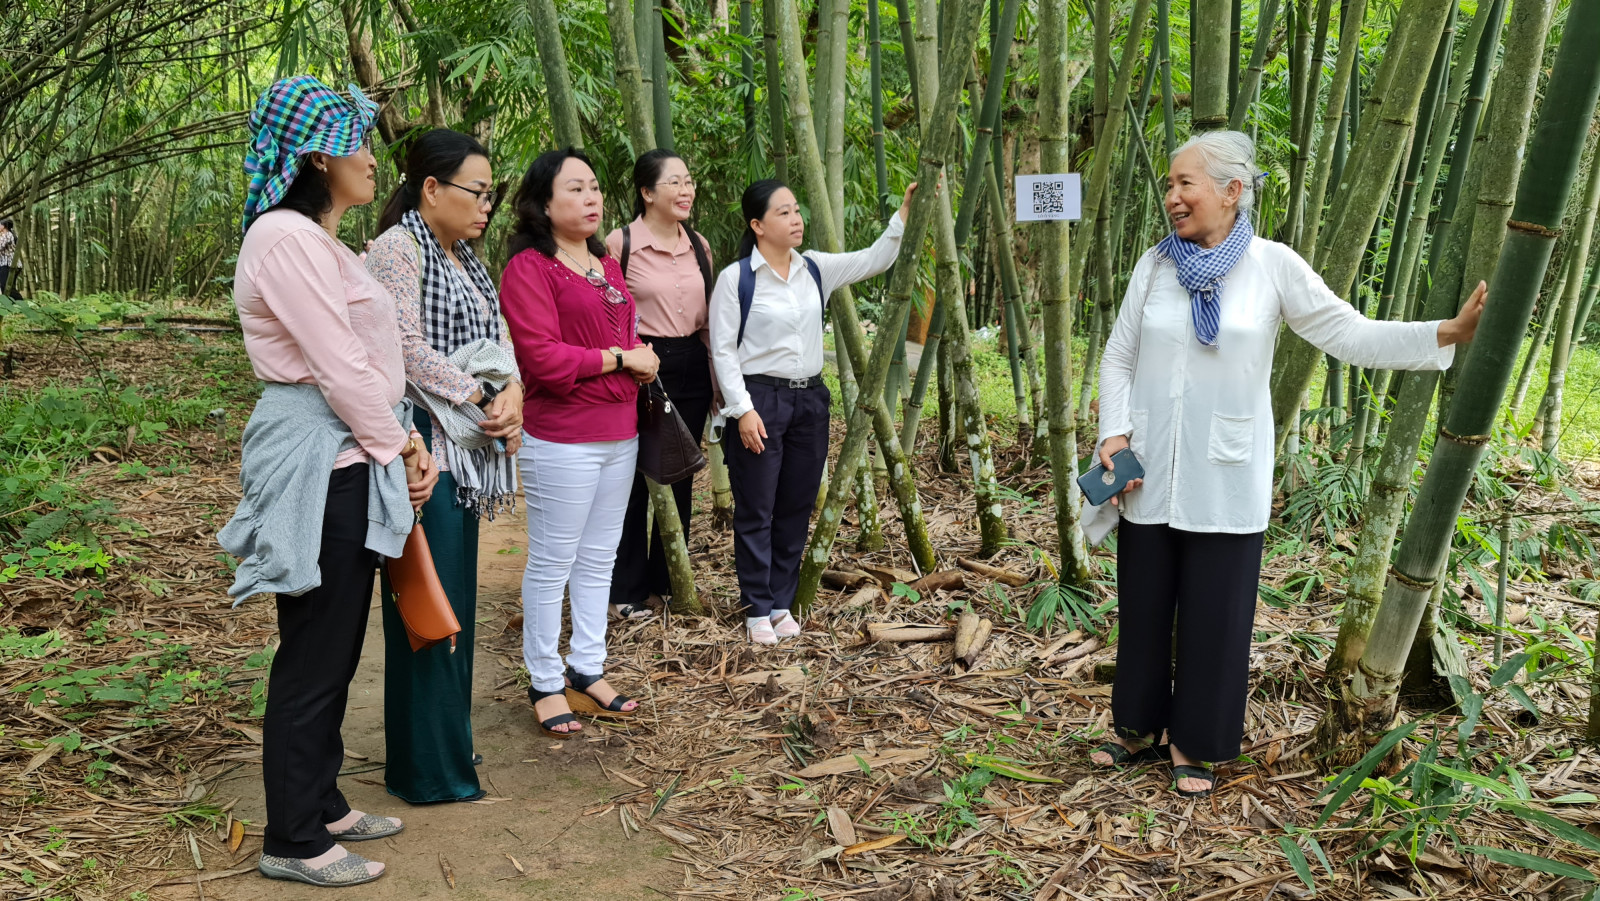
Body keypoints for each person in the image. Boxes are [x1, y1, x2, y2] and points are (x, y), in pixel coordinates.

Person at [1089, 130, 1486, 797]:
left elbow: (1348, 332)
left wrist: (1442, 334)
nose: (1172, 197)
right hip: (1149, 466)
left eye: (1185, 183)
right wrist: (1113, 431)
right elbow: (1119, 355)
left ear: (1231, 190)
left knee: (1217, 613)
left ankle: (1197, 743)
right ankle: (1136, 727)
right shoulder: (1154, 266)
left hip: (1228, 471)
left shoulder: (1273, 266)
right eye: (1168, 184)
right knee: (1147, 602)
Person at [218, 76, 439, 887]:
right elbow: (338, 364)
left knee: (339, 642)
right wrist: (398, 449)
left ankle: (322, 800)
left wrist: (401, 439)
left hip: (353, 445)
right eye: (358, 141)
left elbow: (368, 366)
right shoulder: (284, 240)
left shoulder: (319, 241)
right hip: (322, 452)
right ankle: (294, 838)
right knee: (313, 647)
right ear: (317, 154)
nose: (372, 159)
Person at [365, 129, 522, 804]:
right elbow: (398, 345)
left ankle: (445, 744)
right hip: (421, 441)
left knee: (454, 593)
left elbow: (500, 338)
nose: (487, 205)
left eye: (494, 193)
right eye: (477, 192)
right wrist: (482, 391)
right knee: (425, 598)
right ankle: (428, 769)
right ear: (431, 188)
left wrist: (511, 392)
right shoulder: (396, 248)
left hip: (468, 446)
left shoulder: (466, 258)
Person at [710, 178, 918, 645]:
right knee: (757, 507)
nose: (796, 218)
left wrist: (903, 213)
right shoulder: (736, 278)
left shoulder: (815, 269)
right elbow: (723, 351)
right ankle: (756, 607)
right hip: (759, 400)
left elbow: (874, 258)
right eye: (783, 212)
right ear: (757, 225)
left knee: (795, 504)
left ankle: (781, 602)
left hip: (809, 401)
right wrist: (741, 410)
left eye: (796, 209)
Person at [500, 148, 659, 738]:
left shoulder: (606, 263)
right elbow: (539, 357)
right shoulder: (530, 268)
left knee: (598, 560)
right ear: (544, 203)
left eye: (594, 187)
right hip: (562, 435)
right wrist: (621, 358)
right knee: (552, 561)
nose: (591, 198)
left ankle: (587, 667)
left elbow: (627, 335)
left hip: (620, 431)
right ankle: (543, 680)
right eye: (575, 189)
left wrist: (641, 356)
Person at [605, 149, 715, 621]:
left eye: (689, 181)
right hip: (640, 363)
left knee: (680, 472)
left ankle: (667, 582)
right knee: (630, 477)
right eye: (675, 182)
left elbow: (710, 317)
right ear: (647, 192)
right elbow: (607, 313)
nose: (686, 190)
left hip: (690, 359)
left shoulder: (700, 245)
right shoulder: (619, 243)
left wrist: (715, 382)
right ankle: (625, 588)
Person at [0, 218, 15, 297]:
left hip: (9, 263)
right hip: (4, 263)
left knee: (5, 285)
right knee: (6, 285)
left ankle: (20, 302)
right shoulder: (4, 235)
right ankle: (14, 304)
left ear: (4, 226)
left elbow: (1, 246)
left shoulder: (8, 235)